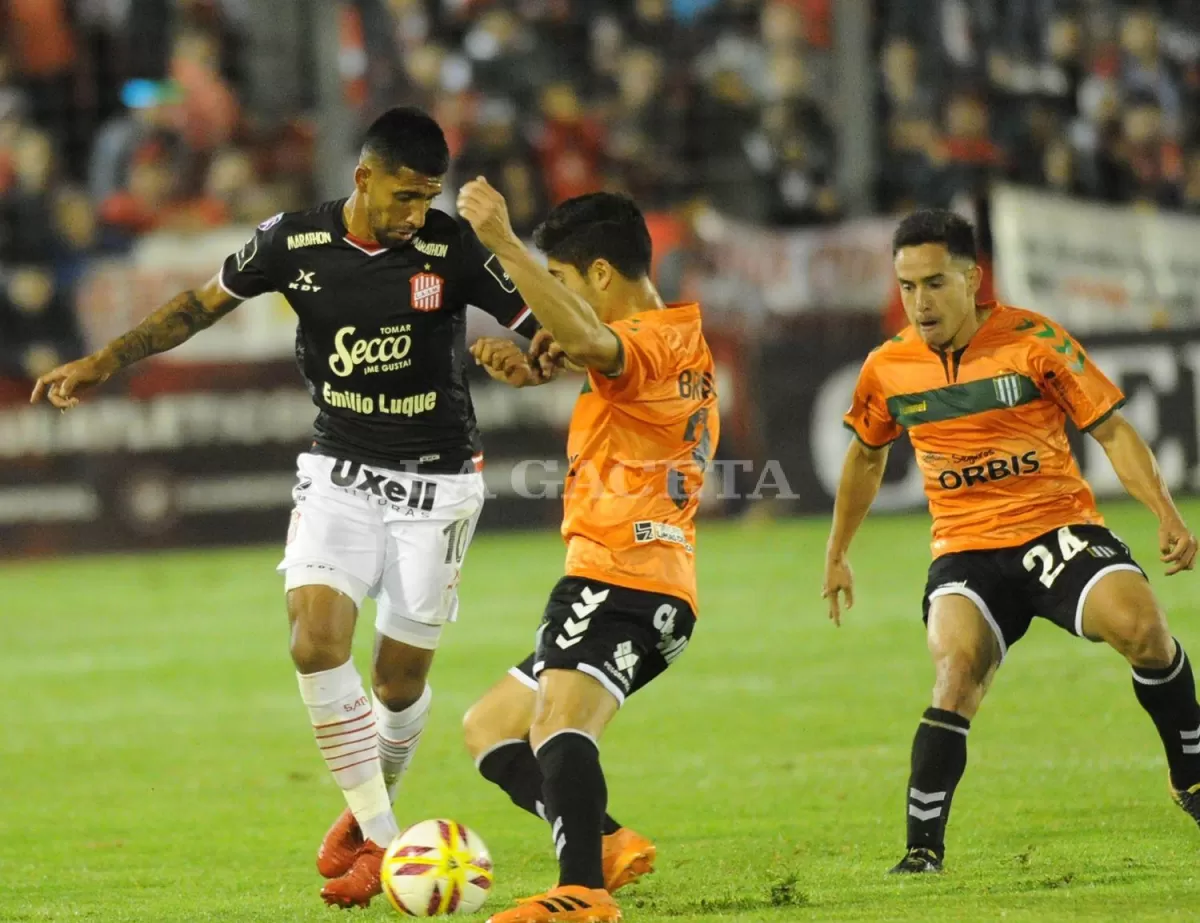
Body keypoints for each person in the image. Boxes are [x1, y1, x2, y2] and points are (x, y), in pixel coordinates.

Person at [30, 107, 539, 908]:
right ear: (363, 178)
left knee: (398, 683)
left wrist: (527, 361)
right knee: (313, 640)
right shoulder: (291, 243)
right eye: (404, 197)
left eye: (427, 198)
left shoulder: (452, 247)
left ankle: (362, 808)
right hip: (339, 471)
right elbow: (197, 306)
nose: (415, 215)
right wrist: (106, 360)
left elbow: (540, 331)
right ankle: (380, 838)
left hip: (437, 484)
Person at [823, 208, 1200, 874]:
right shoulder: (889, 368)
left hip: (1057, 527)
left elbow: (1111, 428)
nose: (920, 301)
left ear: (973, 278)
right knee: (956, 668)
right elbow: (865, 457)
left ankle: (1190, 774)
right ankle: (921, 852)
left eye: (935, 282)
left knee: (1143, 627)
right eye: (907, 286)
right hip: (966, 550)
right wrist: (837, 550)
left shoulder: (1032, 341)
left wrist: (1165, 511)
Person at [455, 183, 719, 923]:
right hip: (653, 584)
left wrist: (504, 243)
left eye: (562, 280)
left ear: (601, 274)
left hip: (619, 573)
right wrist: (547, 367)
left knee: (558, 725)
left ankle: (582, 894)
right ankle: (602, 843)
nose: (557, 297)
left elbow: (594, 342)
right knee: (491, 728)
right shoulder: (677, 340)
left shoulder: (646, 343)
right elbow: (602, 357)